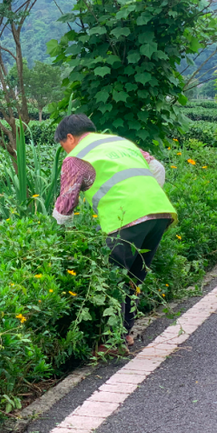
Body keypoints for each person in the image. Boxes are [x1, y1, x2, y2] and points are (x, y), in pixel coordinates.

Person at [52, 114, 177, 348]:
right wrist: (145, 198)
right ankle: (125, 334)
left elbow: (66, 202)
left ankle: (111, 341)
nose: (65, 150)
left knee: (111, 280)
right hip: (160, 212)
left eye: (63, 145)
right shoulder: (120, 142)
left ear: (70, 137)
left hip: (126, 219)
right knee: (135, 277)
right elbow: (157, 169)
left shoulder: (76, 157)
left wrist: (57, 234)